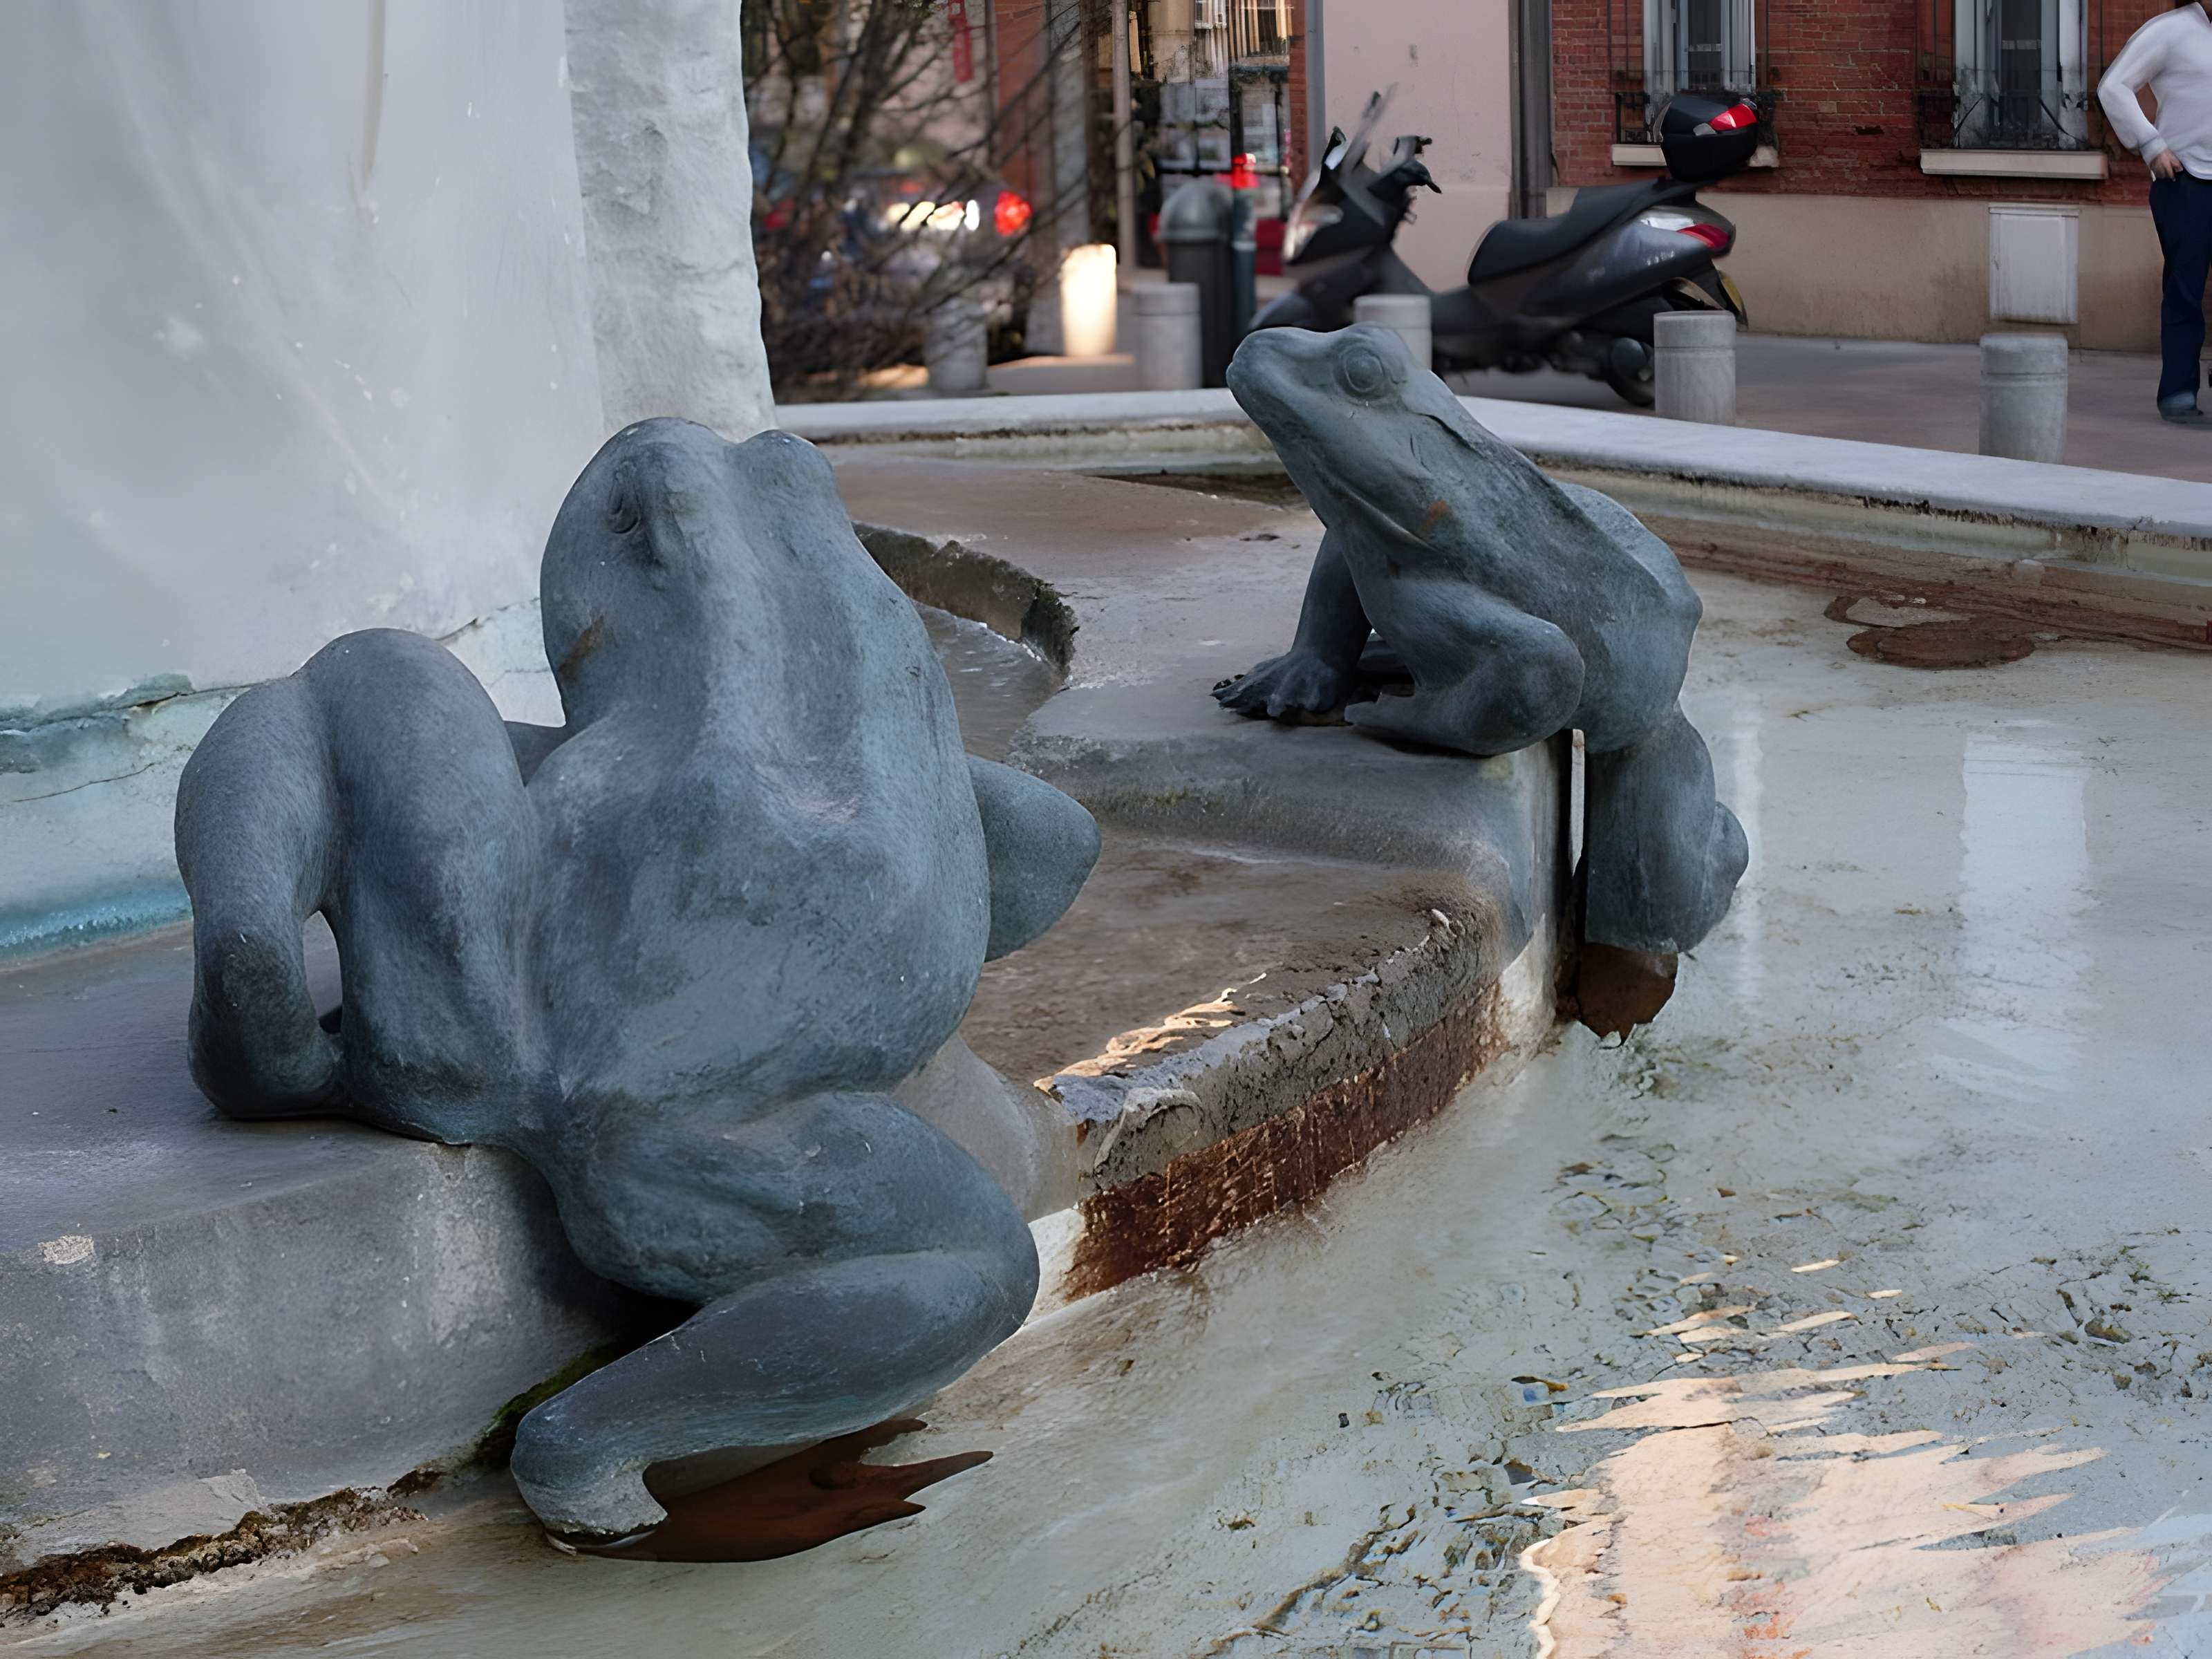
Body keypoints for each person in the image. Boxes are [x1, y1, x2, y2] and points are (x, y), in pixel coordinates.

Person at [2101, 1, 2212, 424]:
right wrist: (2151, 145)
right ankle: (2179, 396)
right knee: (2185, 291)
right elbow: (2113, 86)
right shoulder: (2169, 30)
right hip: (2184, 181)